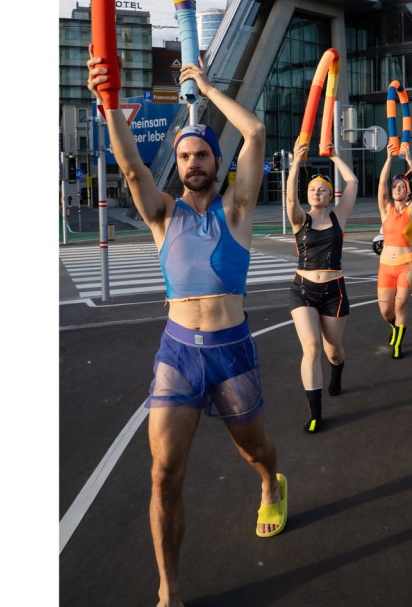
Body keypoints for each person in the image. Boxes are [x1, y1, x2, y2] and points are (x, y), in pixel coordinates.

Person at [87, 48, 285, 607]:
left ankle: (272, 481)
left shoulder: (238, 211)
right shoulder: (162, 214)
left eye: (202, 153)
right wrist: (107, 104)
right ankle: (168, 591)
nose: (194, 161)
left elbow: (256, 133)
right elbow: (130, 167)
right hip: (178, 354)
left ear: (215, 162)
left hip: (232, 351)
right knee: (162, 475)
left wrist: (205, 83)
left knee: (256, 450)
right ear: (178, 165)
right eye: (186, 155)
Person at [284, 136, 358, 433]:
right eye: (313, 189)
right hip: (302, 290)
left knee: (332, 351)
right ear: (309, 194)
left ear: (330, 196)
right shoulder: (299, 219)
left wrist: (334, 156)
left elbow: (351, 182)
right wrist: (294, 164)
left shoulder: (339, 217)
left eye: (323, 189)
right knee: (311, 347)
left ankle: (337, 369)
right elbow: (290, 199)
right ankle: (315, 413)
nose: (317, 192)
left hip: (334, 292)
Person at [376, 150, 412, 358]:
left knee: (400, 306)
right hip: (385, 266)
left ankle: (397, 346)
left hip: (406, 266)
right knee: (386, 311)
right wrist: (388, 159)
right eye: (395, 186)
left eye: (402, 187)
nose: (397, 189)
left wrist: (410, 163)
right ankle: (395, 327)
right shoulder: (385, 209)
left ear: (407, 192)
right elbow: (381, 183)